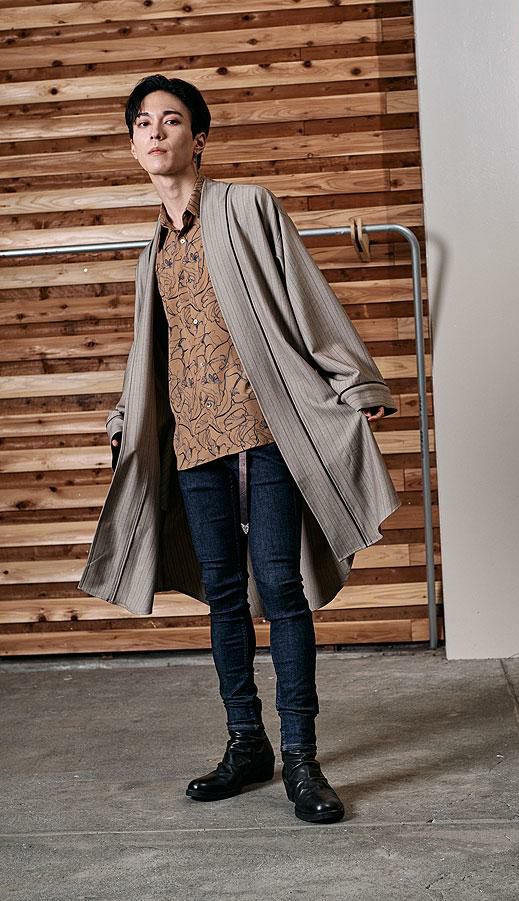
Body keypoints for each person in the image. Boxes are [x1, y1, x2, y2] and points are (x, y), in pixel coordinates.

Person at [108, 74, 395, 825]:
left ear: (198, 138)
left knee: (280, 584)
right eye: (143, 123)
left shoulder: (247, 207)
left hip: (266, 429)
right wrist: (125, 417)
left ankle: (301, 756)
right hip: (193, 439)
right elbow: (153, 351)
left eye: (172, 120)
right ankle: (247, 743)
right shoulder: (153, 250)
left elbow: (305, 295)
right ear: (133, 144)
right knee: (223, 592)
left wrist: (355, 380)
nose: (156, 132)